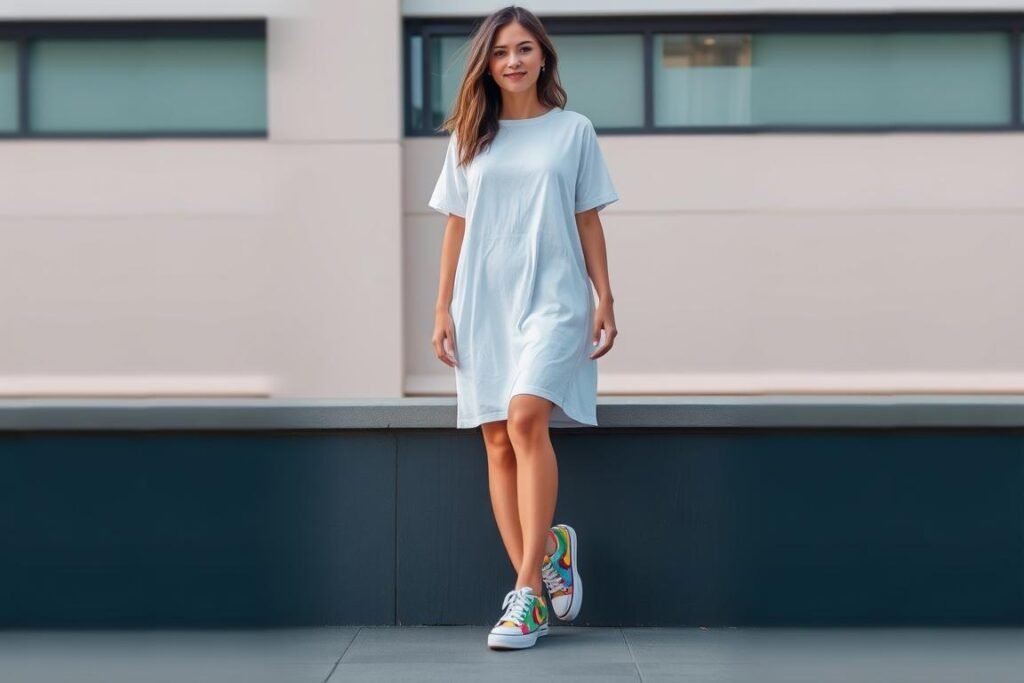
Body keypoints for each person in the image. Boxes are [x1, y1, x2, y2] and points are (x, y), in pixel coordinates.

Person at [427, 5, 619, 650]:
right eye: (502, 51)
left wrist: (605, 297)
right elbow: (455, 225)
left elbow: (588, 217)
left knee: (526, 416)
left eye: (525, 49)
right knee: (497, 441)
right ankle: (542, 568)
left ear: (544, 58)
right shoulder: (467, 137)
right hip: (483, 301)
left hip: (556, 296)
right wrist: (441, 308)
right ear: (488, 61)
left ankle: (526, 596)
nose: (513, 60)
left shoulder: (574, 132)